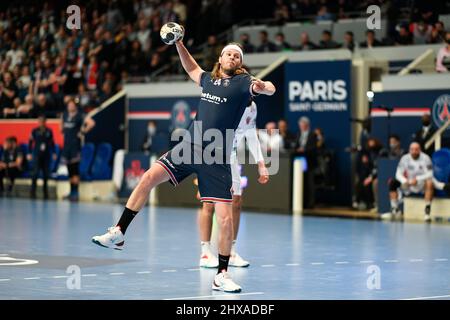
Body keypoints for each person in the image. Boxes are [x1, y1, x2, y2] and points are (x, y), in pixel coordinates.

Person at [92, 31, 276, 293]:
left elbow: (270, 88)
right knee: (147, 178)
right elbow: (191, 66)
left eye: (237, 55)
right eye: (229, 53)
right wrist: (178, 43)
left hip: (217, 157)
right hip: (189, 147)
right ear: (220, 58)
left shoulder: (244, 83)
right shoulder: (208, 81)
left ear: (240, 63)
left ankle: (222, 274)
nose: (232, 57)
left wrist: (262, 85)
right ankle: (119, 231)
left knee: (224, 219)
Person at [198, 98, 269, 269]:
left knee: (236, 202)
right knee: (208, 204)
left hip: (231, 156)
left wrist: (261, 164)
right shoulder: (224, 101)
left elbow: (251, 135)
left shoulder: (252, 107)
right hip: (211, 154)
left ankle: (231, 251)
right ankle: (206, 252)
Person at [383, 142, 434, 222]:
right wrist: (405, 181)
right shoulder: (405, 158)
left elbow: (430, 174)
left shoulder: (426, 158)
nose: (414, 151)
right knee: (393, 182)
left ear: (420, 150)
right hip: (408, 184)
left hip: (421, 184)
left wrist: (417, 179)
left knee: (430, 183)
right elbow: (398, 173)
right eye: (412, 149)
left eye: (416, 149)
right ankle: (395, 210)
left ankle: (427, 213)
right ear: (409, 150)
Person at [61, 99, 96, 201]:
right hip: (67, 146)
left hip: (75, 146)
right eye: (69, 105)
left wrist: (82, 132)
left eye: (72, 105)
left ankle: (75, 193)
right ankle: (71, 191)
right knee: (69, 170)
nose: (70, 106)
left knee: (75, 169)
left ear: (75, 106)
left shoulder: (80, 115)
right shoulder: (65, 115)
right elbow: (61, 128)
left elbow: (91, 123)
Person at [28, 114, 57, 199]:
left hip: (46, 155)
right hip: (37, 154)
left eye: (43, 121)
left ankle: (45, 193)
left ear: (45, 122)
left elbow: (52, 142)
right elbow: (30, 142)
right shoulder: (34, 131)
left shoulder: (49, 131)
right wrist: (29, 153)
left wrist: (54, 152)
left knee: (45, 174)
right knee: (35, 173)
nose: (41, 123)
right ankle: (32, 192)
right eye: (39, 121)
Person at [295, 116, 317, 209]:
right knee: (301, 182)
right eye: (300, 125)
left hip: (309, 161)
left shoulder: (312, 135)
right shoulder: (298, 134)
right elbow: (295, 145)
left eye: (303, 125)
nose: (301, 127)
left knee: (310, 183)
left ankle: (311, 203)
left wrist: (304, 150)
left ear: (307, 125)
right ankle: (302, 203)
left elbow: (313, 148)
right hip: (299, 162)